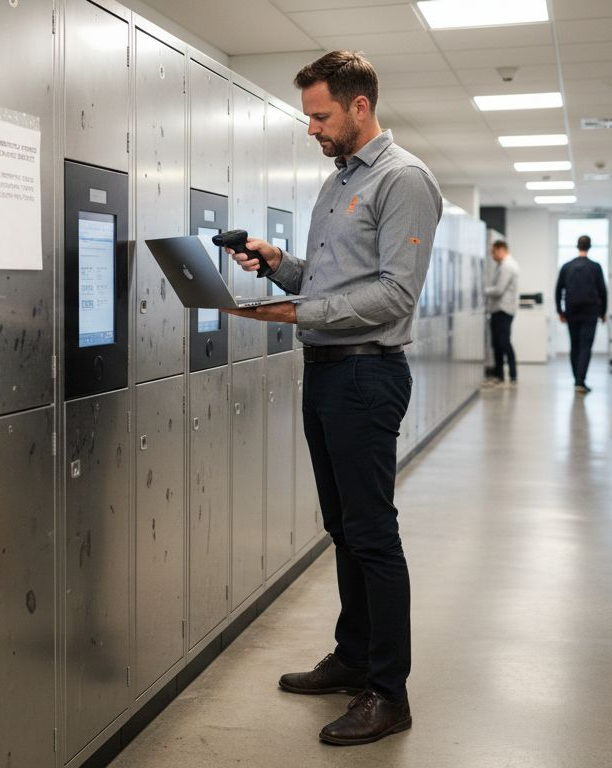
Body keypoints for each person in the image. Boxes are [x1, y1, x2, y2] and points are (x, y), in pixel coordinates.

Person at [218, 50, 439, 747]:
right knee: (342, 528)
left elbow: (394, 295)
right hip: (325, 372)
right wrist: (277, 264)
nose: (312, 128)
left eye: (320, 115)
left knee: (373, 533)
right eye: (308, 116)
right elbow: (332, 282)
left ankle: (388, 691)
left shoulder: (403, 180)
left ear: (360, 107)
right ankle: (352, 657)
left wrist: (299, 314)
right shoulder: (337, 183)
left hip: (366, 376)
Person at [554, 235, 607, 394]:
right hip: (590, 312)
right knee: (585, 346)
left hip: (572, 311)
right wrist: (603, 312)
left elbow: (558, 290)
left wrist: (560, 311)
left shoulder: (566, 266)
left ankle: (576, 379)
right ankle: (580, 380)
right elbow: (603, 291)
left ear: (577, 246)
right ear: (590, 247)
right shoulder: (595, 267)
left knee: (575, 345)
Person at [484, 239, 519, 387]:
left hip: (503, 310)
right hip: (499, 309)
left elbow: (498, 290)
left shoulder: (507, 266)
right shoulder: (504, 265)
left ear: (500, 250)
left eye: (493, 252)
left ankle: (512, 376)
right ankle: (500, 375)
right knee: (498, 344)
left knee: (503, 343)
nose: (492, 255)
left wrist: (482, 290)